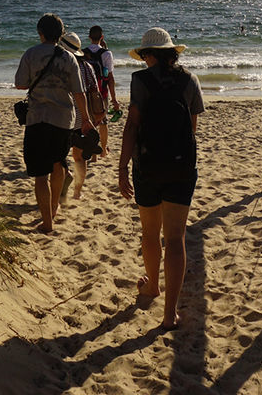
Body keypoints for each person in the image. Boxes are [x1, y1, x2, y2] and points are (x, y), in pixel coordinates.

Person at [118, 27, 204, 331]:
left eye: (143, 55)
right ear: (172, 53)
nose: (142, 61)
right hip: (181, 168)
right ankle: (170, 314)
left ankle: (152, 285)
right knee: (176, 239)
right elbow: (192, 127)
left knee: (150, 232)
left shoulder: (140, 81)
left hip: (147, 168)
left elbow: (132, 126)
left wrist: (122, 166)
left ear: (150, 55)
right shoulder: (190, 79)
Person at [14, 14, 93, 234]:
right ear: (60, 35)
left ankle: (47, 222)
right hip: (63, 119)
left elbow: (20, 84)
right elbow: (79, 92)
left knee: (40, 173)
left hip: (37, 117)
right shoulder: (68, 58)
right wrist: (85, 119)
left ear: (40, 33)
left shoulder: (31, 53)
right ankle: (55, 207)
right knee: (58, 164)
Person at [60, 31, 104, 199]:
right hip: (82, 118)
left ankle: (65, 174)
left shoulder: (61, 65)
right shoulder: (87, 67)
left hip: (64, 116)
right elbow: (95, 92)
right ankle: (77, 191)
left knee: (58, 155)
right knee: (80, 158)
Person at [84, 25, 122, 153]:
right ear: (102, 37)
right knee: (102, 120)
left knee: (89, 119)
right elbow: (110, 77)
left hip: (86, 91)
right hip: (102, 92)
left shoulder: (83, 52)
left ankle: (93, 152)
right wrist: (114, 99)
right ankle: (104, 150)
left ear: (89, 37)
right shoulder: (106, 54)